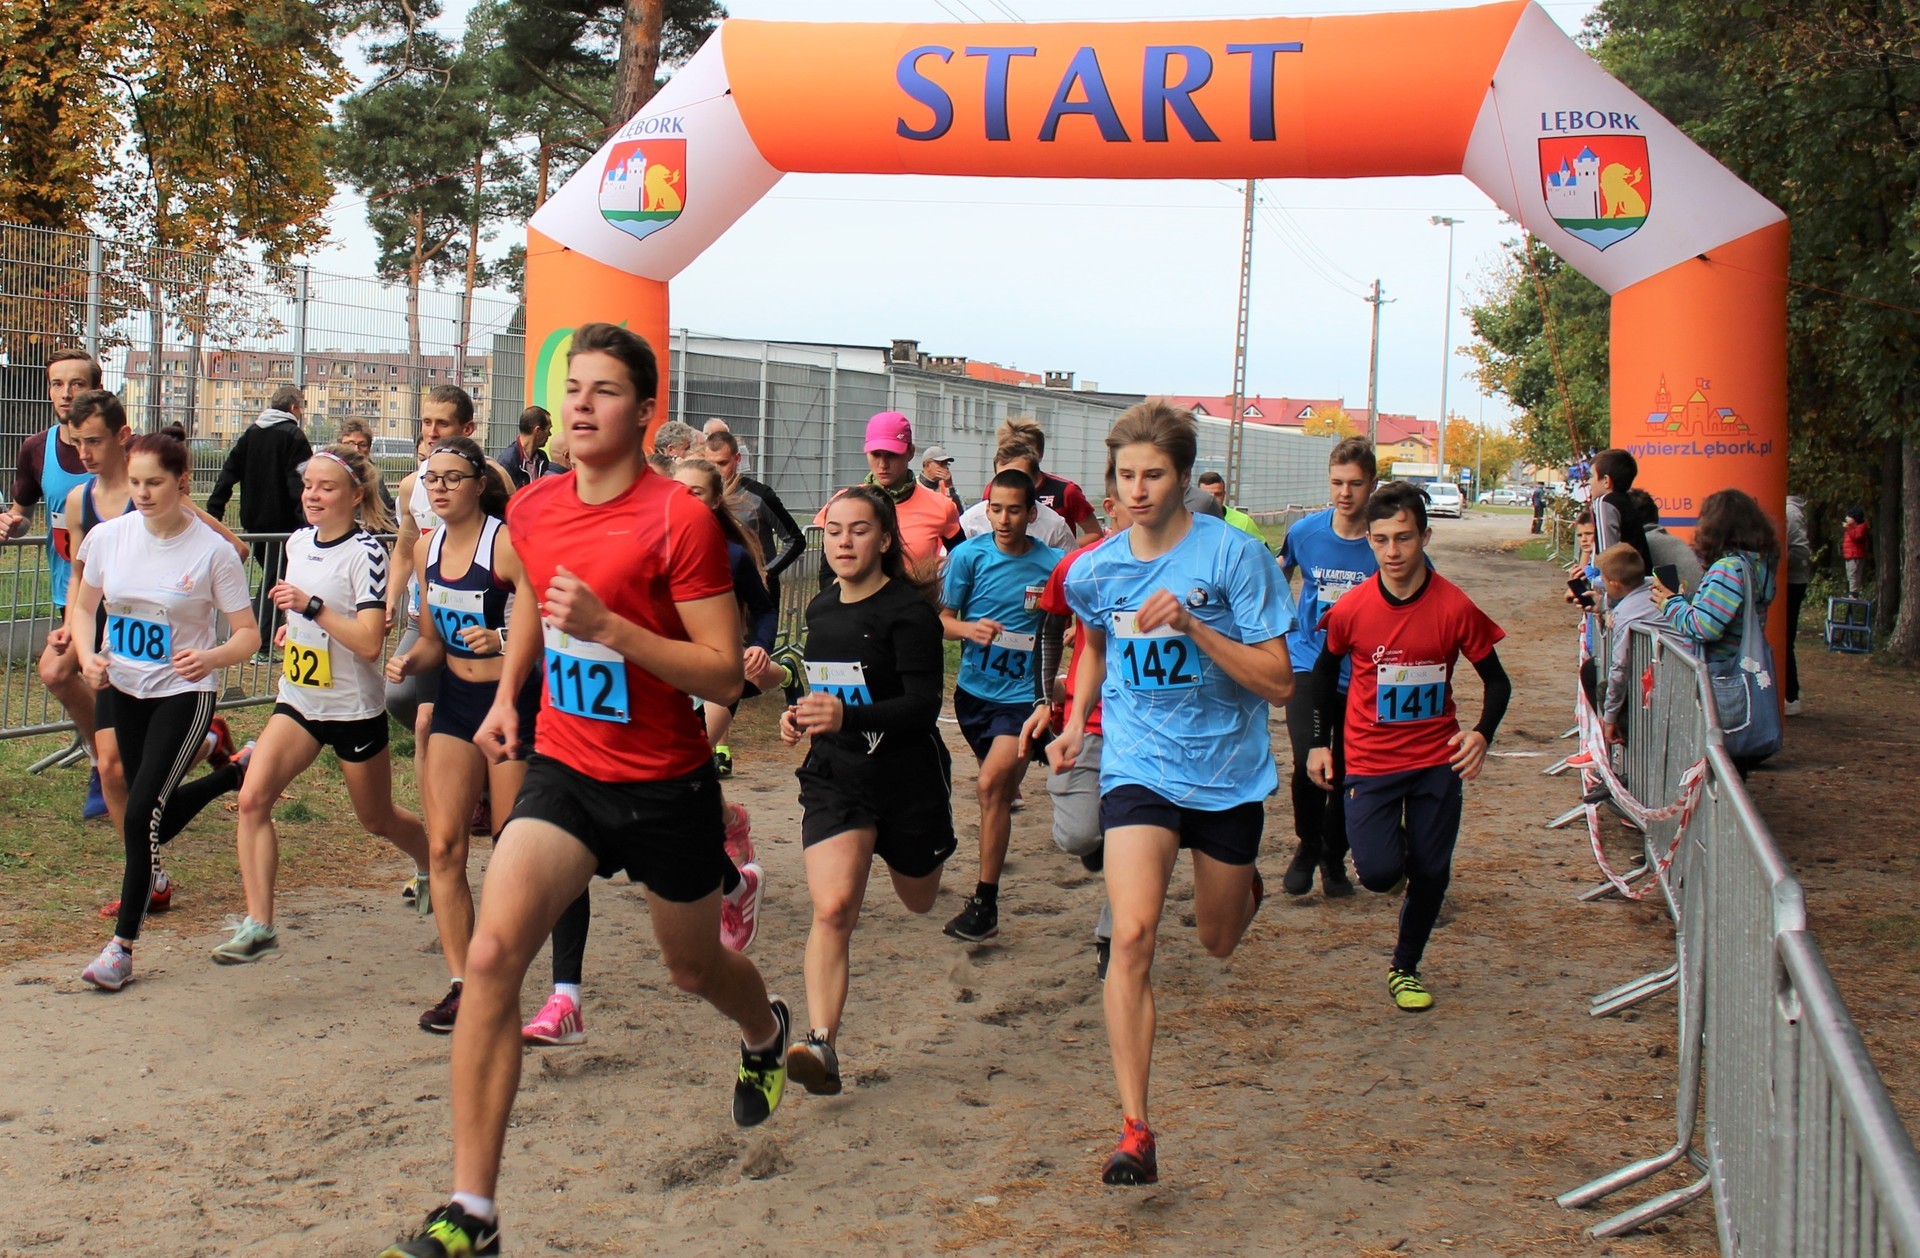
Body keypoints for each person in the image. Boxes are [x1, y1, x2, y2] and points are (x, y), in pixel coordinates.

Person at [379, 323, 789, 1258]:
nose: (582, 405)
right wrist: (510, 697)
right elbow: (533, 596)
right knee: (492, 957)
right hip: (566, 767)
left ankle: (764, 1031)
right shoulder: (535, 506)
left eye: (604, 390)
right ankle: (473, 1210)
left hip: (664, 781)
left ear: (643, 412)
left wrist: (614, 630)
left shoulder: (679, 520)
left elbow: (721, 672)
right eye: (574, 388)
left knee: (693, 968)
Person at [1053, 400, 1295, 1186]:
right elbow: (1094, 643)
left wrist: (1194, 627)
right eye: (1126, 475)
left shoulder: (1235, 558)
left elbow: (1279, 683)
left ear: (1184, 477)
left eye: (1154, 474)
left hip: (1226, 774)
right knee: (1131, 936)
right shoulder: (1095, 568)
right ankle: (1135, 1129)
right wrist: (1075, 720)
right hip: (1139, 767)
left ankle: (1243, 887)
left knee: (1217, 941)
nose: (1138, 489)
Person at [217, 444, 430, 964]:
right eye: (308, 485)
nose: (312, 495)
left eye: (326, 487)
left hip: (351, 709)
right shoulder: (297, 542)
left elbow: (369, 643)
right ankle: (259, 925)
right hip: (299, 700)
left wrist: (310, 608)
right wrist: (294, 628)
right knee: (252, 799)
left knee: (376, 819)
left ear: (355, 495)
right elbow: (308, 617)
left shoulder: (367, 554)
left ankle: (433, 864)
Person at [1307, 481, 1510, 1014]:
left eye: (1404, 538)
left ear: (1425, 536)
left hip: (1435, 761)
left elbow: (1498, 681)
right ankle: (1397, 854)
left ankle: (1405, 966)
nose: (1392, 552)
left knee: (1432, 871)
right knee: (1377, 873)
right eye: (1380, 540)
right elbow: (1323, 675)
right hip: (1370, 762)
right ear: (1368, 541)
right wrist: (1319, 744)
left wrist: (1481, 733)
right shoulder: (1352, 608)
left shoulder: (1454, 606)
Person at [70, 425, 261, 991]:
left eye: (154, 482)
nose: (142, 493)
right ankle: (232, 774)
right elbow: (84, 608)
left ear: (183, 482)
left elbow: (247, 634)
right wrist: (87, 656)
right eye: (135, 482)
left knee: (138, 816)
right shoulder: (109, 538)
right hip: (122, 688)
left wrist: (211, 657)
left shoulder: (212, 553)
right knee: (145, 812)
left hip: (183, 693)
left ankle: (121, 949)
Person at [777, 486, 954, 1095]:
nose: (844, 542)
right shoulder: (822, 608)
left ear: (883, 540)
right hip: (838, 778)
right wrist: (800, 715)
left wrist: (845, 715)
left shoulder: (908, 613)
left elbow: (923, 706)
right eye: (834, 531)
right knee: (833, 909)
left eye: (858, 530)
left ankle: (916, 853)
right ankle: (820, 1042)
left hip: (906, 781)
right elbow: (827, 690)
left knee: (920, 899)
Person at [383, 437, 541, 1029]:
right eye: (432, 479)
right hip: (454, 700)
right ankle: (464, 983)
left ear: (479, 484)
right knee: (445, 846)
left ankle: (503, 971)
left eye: (453, 477)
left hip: (510, 701)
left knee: (507, 847)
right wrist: (409, 662)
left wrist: (502, 639)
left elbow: (547, 625)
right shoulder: (426, 548)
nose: (440, 488)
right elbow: (430, 638)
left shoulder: (507, 545)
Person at [939, 469, 1064, 944]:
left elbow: (1072, 622)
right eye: (996, 509)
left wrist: (1068, 637)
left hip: (1023, 699)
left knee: (991, 786)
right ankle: (1040, 764)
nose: (1004, 519)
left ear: (1032, 514)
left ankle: (984, 903)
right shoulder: (969, 557)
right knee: (997, 791)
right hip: (974, 696)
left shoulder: (1053, 564)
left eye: (1014, 510)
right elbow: (943, 621)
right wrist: (968, 629)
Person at [0, 350, 111, 817]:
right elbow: (24, 513)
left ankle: (110, 764)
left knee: (84, 677)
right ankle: (110, 758)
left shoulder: (121, 444)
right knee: (68, 675)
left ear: (96, 389)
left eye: (77, 384)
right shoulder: (35, 448)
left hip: (124, 592)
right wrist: (11, 524)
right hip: (71, 590)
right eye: (57, 384)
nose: (66, 394)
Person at [1276, 436, 1380, 899]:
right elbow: (1277, 575)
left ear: (1371, 484)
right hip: (1308, 663)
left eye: (1355, 483)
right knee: (1308, 760)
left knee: (1347, 769)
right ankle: (1307, 844)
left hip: (1362, 673)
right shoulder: (1305, 532)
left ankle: (1333, 857)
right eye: (1337, 482)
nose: (1345, 493)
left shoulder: (1384, 540)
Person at [1035, 473, 1127, 978]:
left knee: (1133, 834)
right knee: (1079, 836)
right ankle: (1094, 842)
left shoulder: (1191, 566)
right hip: (1087, 719)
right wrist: (1043, 696)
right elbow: (1050, 627)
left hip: (1150, 731)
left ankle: (1113, 936)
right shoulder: (1082, 565)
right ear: (1111, 506)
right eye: (1131, 489)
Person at [1652, 488, 1778, 776]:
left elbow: (1704, 627)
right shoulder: (1758, 566)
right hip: (1740, 671)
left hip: (1721, 675)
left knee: (1715, 762)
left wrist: (1670, 604)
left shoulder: (1728, 569)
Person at [207, 384, 313, 647]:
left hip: (254, 522)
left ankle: (265, 635)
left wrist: (215, 508)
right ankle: (261, 640)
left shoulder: (251, 433)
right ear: (294, 408)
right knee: (277, 580)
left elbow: (229, 472)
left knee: (276, 577)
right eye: (301, 408)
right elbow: (298, 483)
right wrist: (307, 521)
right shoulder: (294, 436)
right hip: (284, 524)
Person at [813, 412, 962, 579]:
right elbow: (827, 575)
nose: (883, 464)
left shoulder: (941, 506)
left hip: (915, 596)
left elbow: (963, 564)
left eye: (892, 454)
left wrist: (939, 589)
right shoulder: (842, 503)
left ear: (910, 452)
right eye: (876, 454)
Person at [704, 429, 806, 609]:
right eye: (710, 464)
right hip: (716, 590)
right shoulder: (700, 496)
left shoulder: (760, 495)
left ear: (737, 459)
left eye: (722, 463)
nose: (716, 471)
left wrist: (767, 572)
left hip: (757, 593)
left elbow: (795, 540)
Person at [993, 416, 1101, 540]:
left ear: (1039, 453)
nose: (1018, 454)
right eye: (1011, 450)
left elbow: (1095, 533)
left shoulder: (1066, 491)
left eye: (1027, 451)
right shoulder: (993, 490)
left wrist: (1064, 549)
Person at [957, 438, 1077, 550]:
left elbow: (1072, 564)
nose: (1003, 520)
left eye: (1018, 478)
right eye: (1004, 478)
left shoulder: (1055, 527)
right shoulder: (970, 522)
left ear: (1035, 479)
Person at [1595, 543, 1660, 746]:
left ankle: (1628, 746)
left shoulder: (1627, 614)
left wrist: (1610, 717)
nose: (1601, 584)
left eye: (1604, 580)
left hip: (1659, 682)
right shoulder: (1658, 587)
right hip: (1664, 676)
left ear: (1615, 584)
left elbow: (1620, 666)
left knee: (1604, 689)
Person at [1586, 448, 1651, 575]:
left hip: (1619, 581)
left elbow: (1607, 555)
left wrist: (1598, 578)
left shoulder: (1604, 502)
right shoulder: (1627, 501)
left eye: (1592, 476)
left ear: (1606, 481)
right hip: (1638, 577)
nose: (1588, 481)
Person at [336, 419, 397, 519]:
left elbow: (388, 511)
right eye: (349, 443)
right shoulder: (331, 473)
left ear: (369, 449)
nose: (356, 449)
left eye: (362, 445)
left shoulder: (374, 476)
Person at [1783, 494, 1810, 717]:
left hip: (1791, 582)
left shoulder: (1789, 511)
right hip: (1789, 580)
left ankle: (1791, 696)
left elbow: (1801, 550)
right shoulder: (1789, 509)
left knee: (1785, 638)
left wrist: (1778, 565)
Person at [1195, 471, 1262, 539]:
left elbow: (1259, 545)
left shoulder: (1244, 522)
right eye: (1207, 495)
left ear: (1224, 494)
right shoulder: (1191, 521)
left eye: (1218, 495)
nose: (1213, 500)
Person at [499, 407, 551, 489]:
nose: (550, 434)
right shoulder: (508, 462)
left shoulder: (542, 458)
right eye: (548, 429)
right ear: (538, 431)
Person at [919, 445, 964, 512]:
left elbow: (958, 513)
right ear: (928, 465)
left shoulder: (946, 486)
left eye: (946, 464)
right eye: (941, 463)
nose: (946, 467)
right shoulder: (914, 485)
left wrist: (949, 487)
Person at [1843, 507, 1869, 597]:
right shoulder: (1851, 528)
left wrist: (1848, 528)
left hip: (1855, 556)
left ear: (1855, 518)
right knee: (1850, 575)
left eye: (1848, 516)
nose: (1846, 518)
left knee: (1854, 575)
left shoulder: (1861, 527)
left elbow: (1857, 536)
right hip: (1850, 556)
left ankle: (1853, 594)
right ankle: (1851, 592)